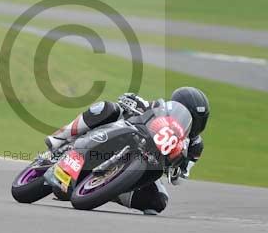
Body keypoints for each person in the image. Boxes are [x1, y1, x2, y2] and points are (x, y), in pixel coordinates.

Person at [45, 87, 210, 215]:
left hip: (150, 162)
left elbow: (179, 179)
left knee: (159, 202)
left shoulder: (195, 147)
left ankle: (106, 189)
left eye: (197, 120)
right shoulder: (158, 107)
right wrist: (132, 102)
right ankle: (60, 139)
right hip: (125, 134)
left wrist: (176, 167)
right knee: (107, 108)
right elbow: (132, 102)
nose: (194, 124)